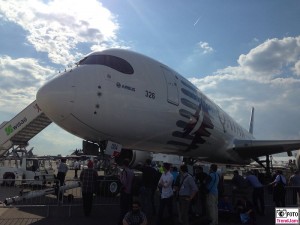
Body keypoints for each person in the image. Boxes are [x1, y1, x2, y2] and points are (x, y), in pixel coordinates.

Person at [119, 159, 135, 225]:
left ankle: (122, 221)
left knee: (123, 208)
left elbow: (124, 182)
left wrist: (120, 177)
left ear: (124, 165)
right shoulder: (132, 172)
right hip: (130, 191)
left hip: (125, 191)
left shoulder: (125, 172)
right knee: (129, 207)